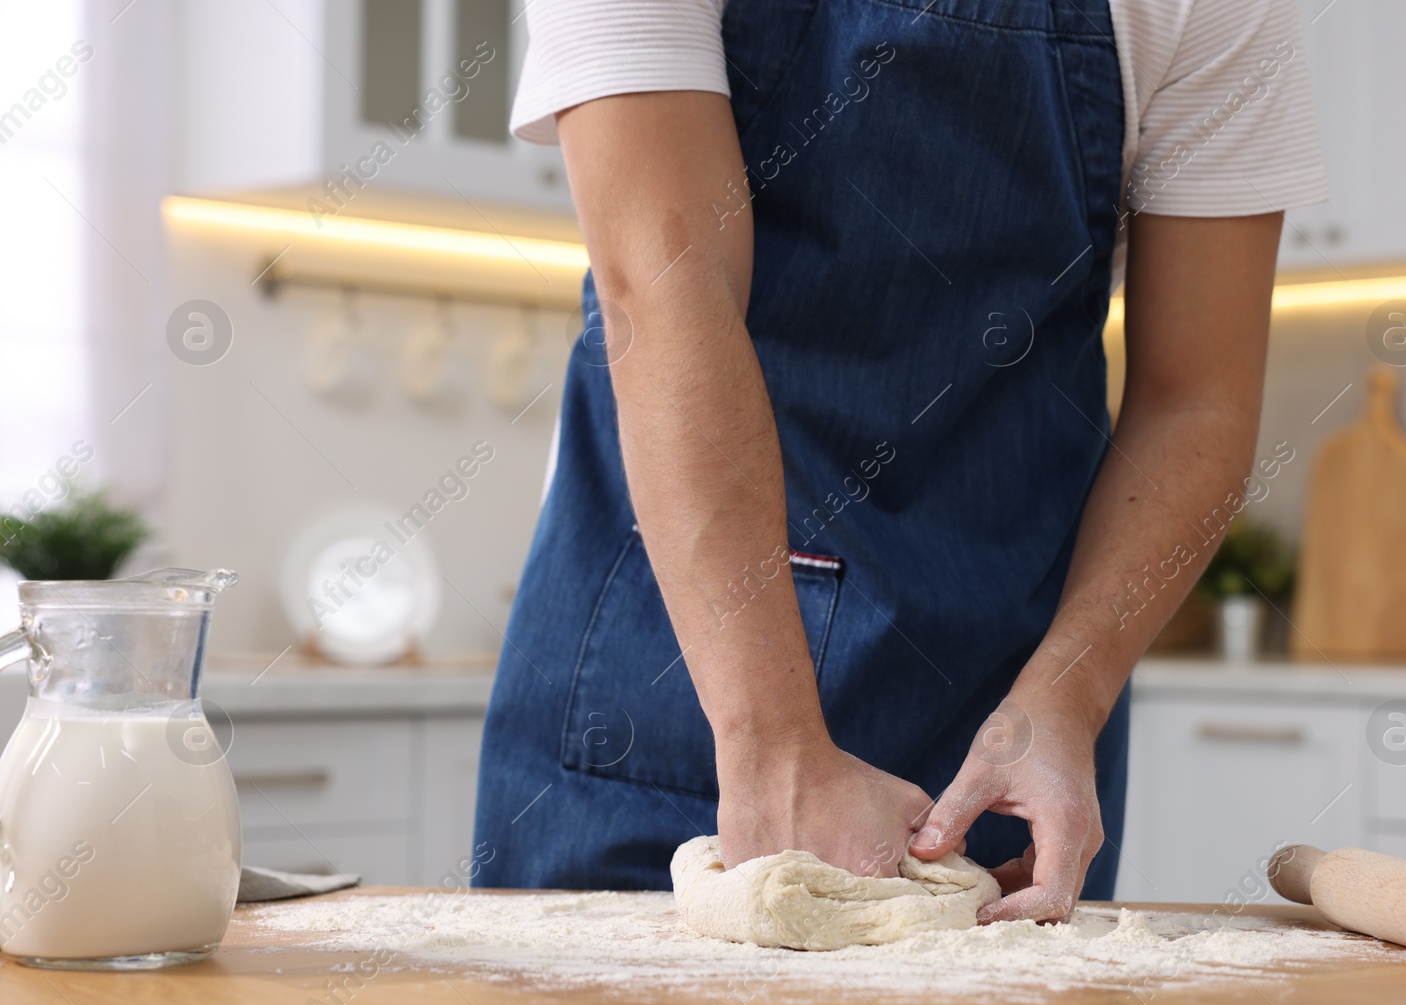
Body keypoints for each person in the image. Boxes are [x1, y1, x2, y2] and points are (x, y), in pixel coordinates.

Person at [474, 0, 1326, 923]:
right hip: (666, 699)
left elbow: (1194, 398)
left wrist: (1062, 700)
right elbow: (666, 287)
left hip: (996, 736)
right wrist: (772, 740)